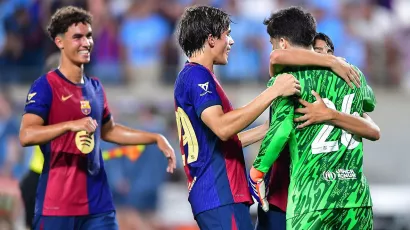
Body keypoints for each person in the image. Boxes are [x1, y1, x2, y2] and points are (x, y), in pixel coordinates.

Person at [19, 6, 176, 230]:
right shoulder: (44, 87)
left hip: (96, 201)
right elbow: (27, 134)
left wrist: (153, 137)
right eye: (77, 37)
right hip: (59, 201)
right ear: (60, 42)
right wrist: (70, 125)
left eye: (89, 36)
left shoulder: (95, 87)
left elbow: (110, 131)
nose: (86, 42)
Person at [249, 7, 377, 229]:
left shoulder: (288, 80)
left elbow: (281, 131)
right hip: (355, 198)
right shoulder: (351, 72)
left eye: (272, 44)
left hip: (312, 197)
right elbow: (370, 102)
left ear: (282, 42)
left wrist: (257, 171)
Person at [174, 5, 300, 230]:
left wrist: (266, 130)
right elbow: (223, 128)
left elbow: (223, 140)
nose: (231, 42)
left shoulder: (198, 76)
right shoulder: (197, 76)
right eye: (227, 34)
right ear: (211, 39)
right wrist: (273, 91)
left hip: (221, 194)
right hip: (218, 192)